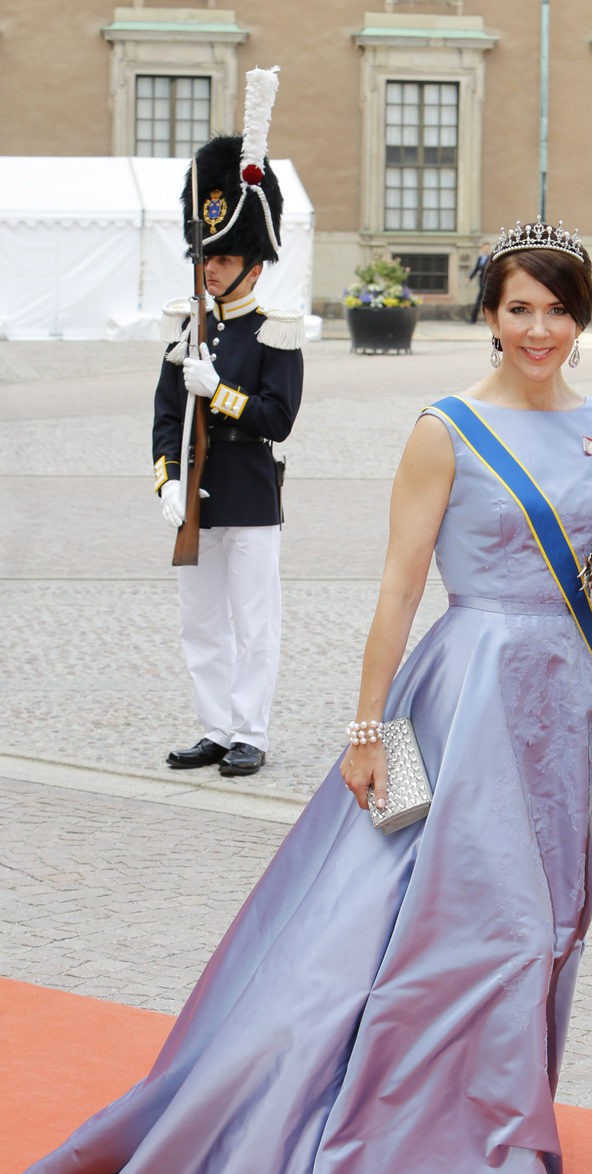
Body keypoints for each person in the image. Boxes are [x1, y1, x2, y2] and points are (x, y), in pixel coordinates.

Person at [7, 217, 592, 1174]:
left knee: (549, 923)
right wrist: (366, 734)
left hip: (564, 713)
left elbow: (590, 574)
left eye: (557, 308)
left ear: (580, 316)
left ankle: (494, 1128)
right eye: (519, 307)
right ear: (488, 314)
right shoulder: (444, 426)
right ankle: (420, 1150)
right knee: (434, 919)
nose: (539, 327)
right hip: (452, 703)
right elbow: (399, 587)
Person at [157, 72, 304, 778]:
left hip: (249, 493)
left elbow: (279, 419)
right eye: (205, 258)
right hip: (194, 498)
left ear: (252, 262)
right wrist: (165, 478)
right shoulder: (184, 330)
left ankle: (251, 731)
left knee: (254, 622)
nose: (210, 269)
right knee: (201, 624)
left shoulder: (277, 334)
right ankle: (214, 726)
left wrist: (220, 393)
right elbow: (163, 417)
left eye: (222, 258)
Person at [468, 240, 492, 321]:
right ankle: (473, 318)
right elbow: (476, 269)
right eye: (485, 248)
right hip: (481, 283)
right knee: (479, 301)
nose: (486, 249)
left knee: (486, 301)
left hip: (487, 283)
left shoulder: (490, 259)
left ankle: (488, 319)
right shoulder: (480, 258)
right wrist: (470, 277)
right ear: (482, 248)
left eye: (487, 248)